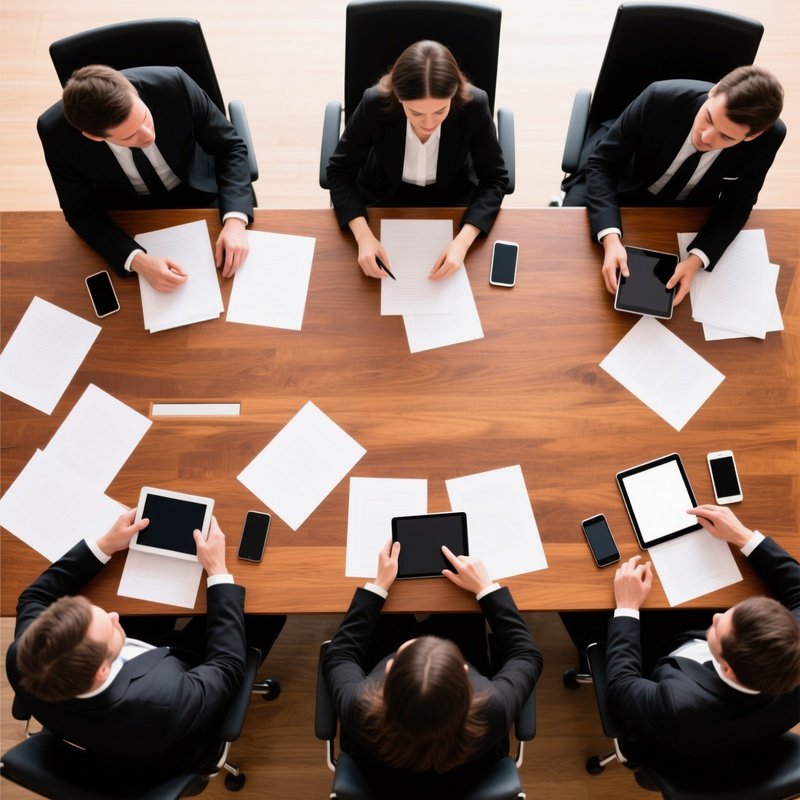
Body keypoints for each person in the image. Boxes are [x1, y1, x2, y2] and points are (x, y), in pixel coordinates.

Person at [5, 509, 285, 773]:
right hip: (177, 687)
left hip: (100, 709)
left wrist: (105, 545)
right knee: (267, 609)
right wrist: (217, 571)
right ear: (102, 669)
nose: (115, 616)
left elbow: (34, 598)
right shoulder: (162, 701)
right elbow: (226, 667)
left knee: (144, 581)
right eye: (111, 629)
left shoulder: (26, 655)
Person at [568, 505, 800, 768]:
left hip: (655, 667)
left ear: (727, 668)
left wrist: (627, 606)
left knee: (577, 609)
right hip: (707, 671)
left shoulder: (680, 707)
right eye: (731, 613)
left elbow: (621, 688)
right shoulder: (793, 646)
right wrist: (742, 535)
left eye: (719, 630)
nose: (717, 617)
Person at [322, 540, 542, 798]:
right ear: (463, 672)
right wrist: (485, 589)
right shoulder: (490, 710)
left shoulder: (361, 709)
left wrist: (379, 586)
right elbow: (526, 656)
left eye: (397, 656)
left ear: (389, 674)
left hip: (387, 777)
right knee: (462, 608)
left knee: (388, 614)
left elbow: (339, 657)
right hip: (460, 777)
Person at [562, 66, 785, 305]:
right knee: (569, 259)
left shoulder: (769, 139)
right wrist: (610, 238)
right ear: (714, 91)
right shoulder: (659, 97)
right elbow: (603, 164)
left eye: (726, 137)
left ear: (752, 136)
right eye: (708, 118)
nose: (706, 137)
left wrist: (697, 259)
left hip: (689, 208)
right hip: (625, 182)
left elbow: (737, 206)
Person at [37, 64, 254, 292]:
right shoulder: (56, 135)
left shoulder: (175, 85)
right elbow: (80, 211)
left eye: (145, 118)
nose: (148, 135)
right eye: (130, 135)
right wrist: (137, 260)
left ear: (133, 91)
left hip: (200, 192)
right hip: (130, 215)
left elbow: (230, 148)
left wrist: (236, 222)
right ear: (93, 136)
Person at [326, 40, 509, 282]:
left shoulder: (474, 105)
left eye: (440, 111)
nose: (429, 124)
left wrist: (463, 243)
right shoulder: (374, 103)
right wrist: (363, 236)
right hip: (383, 199)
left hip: (452, 202)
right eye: (416, 113)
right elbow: (340, 172)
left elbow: (495, 178)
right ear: (399, 98)